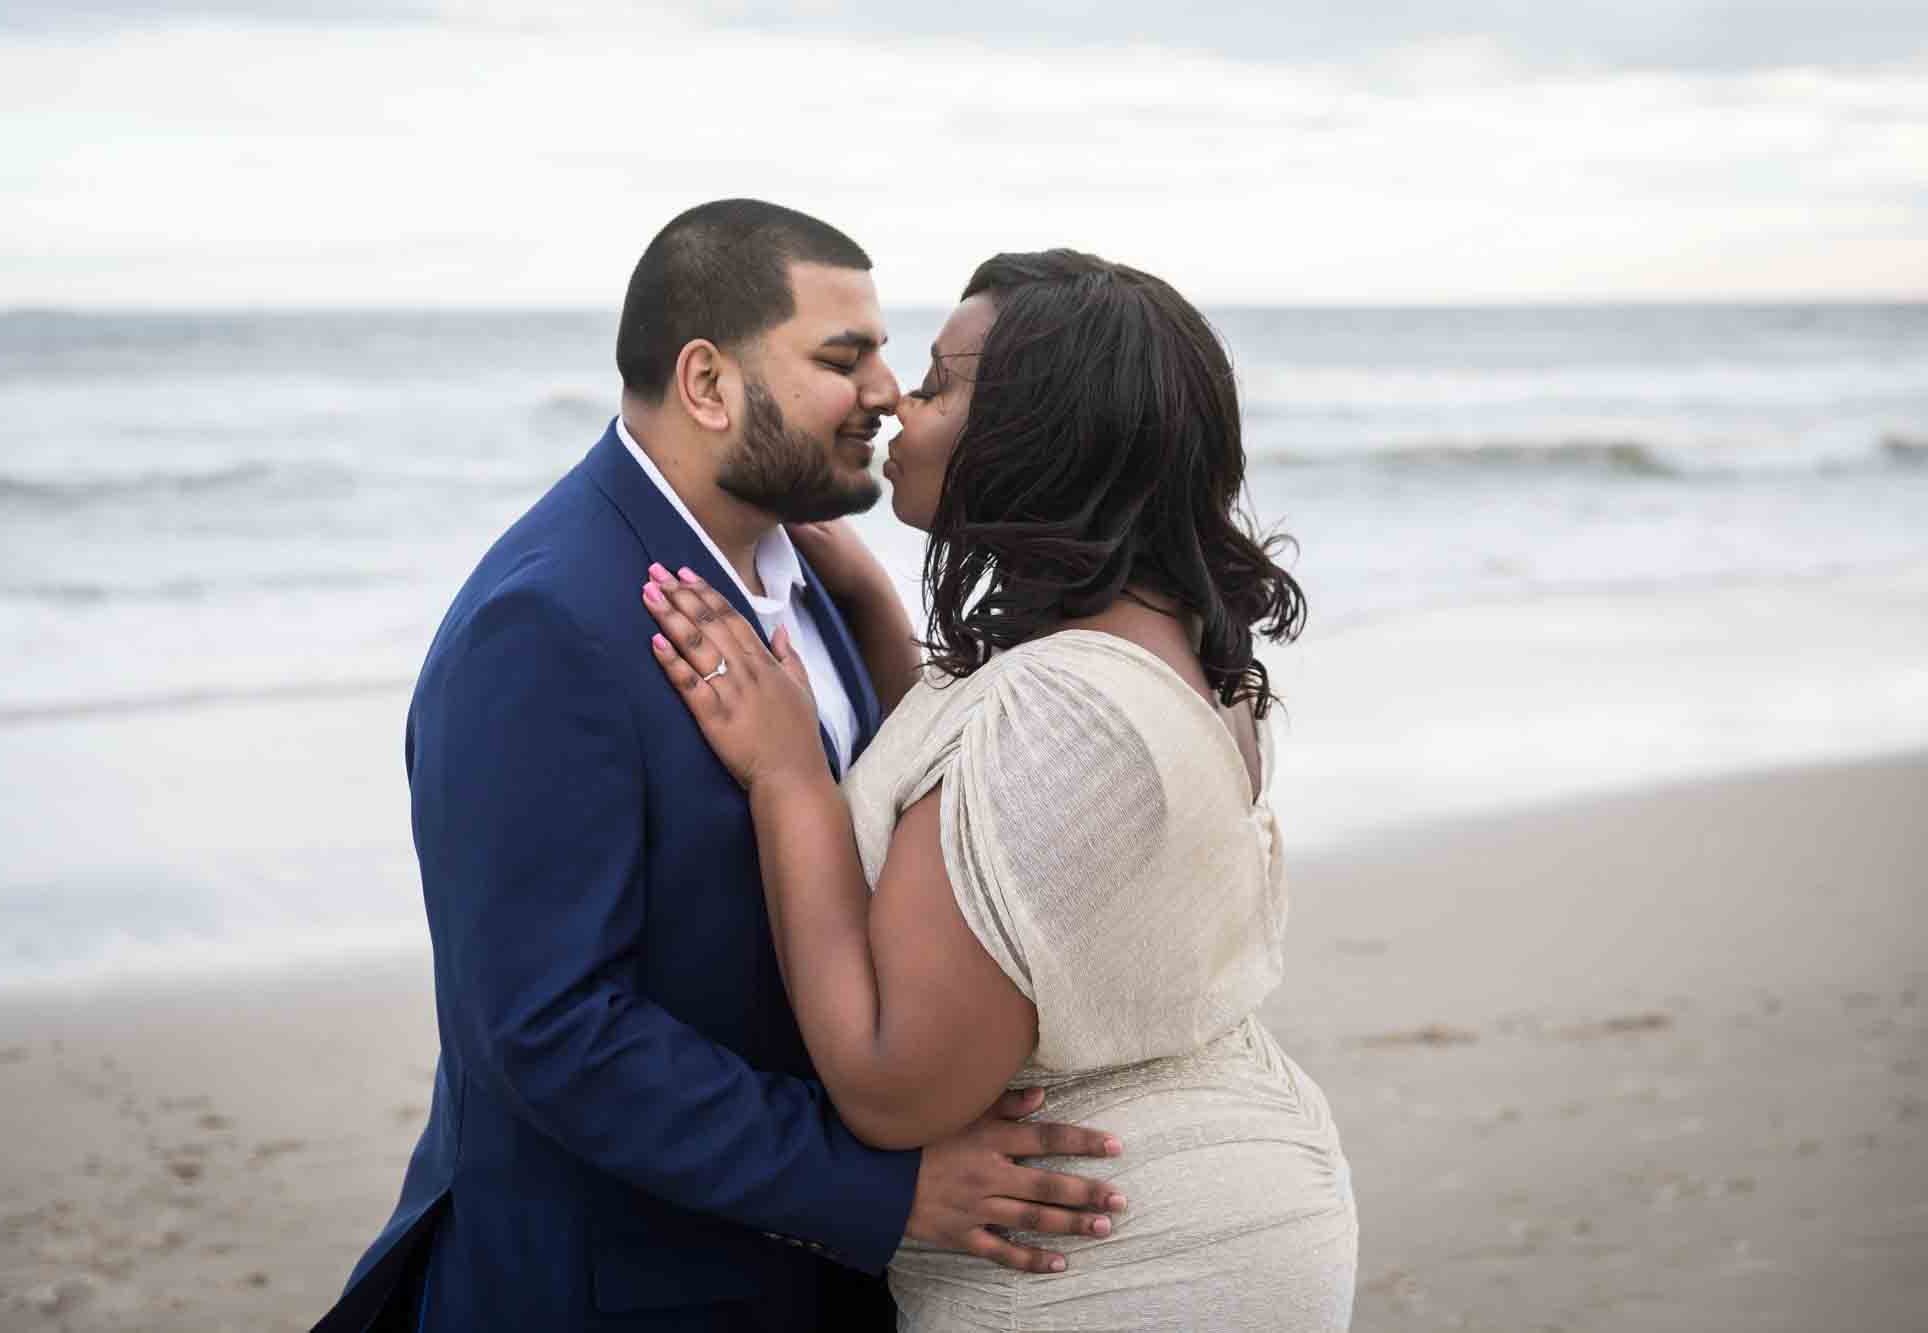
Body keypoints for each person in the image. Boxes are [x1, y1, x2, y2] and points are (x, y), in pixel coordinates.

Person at [311, 205, 1127, 1333]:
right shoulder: (548, 622)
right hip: (626, 1292)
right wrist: (880, 1190)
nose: (887, 391)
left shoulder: (808, 571)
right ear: (706, 383)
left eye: (886, 355)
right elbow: (550, 1028)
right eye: (843, 358)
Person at [639, 249, 1359, 1330]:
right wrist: (878, 614)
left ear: (1036, 435)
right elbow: (982, 830)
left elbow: (893, 1086)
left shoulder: (1059, 714)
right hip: (1210, 1184)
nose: (891, 405)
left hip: (1118, 1264)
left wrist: (787, 776)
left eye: (935, 385)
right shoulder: (1164, 640)